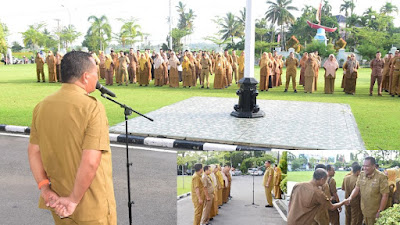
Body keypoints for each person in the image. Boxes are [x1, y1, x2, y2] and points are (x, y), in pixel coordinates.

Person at [28, 51, 117, 224]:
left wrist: (44, 188)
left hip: (57, 200)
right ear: (85, 77)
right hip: (90, 205)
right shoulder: (92, 107)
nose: (97, 79)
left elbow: (33, 151)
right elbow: (91, 160)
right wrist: (74, 199)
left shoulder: (42, 106)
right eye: (95, 74)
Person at [346, 157, 389, 225]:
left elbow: (385, 195)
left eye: (367, 166)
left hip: (375, 212)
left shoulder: (381, 177)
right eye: (363, 166)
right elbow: (357, 188)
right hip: (364, 210)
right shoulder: (361, 174)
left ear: (373, 166)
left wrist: (380, 211)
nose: (364, 168)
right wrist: (350, 197)